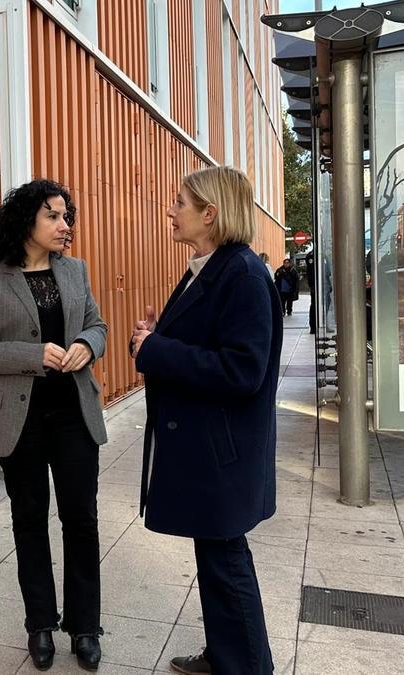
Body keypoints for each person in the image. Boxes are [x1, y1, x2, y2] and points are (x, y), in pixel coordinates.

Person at [129, 166, 280, 675]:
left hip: (223, 451)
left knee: (226, 563)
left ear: (210, 214)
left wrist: (157, 348)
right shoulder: (210, 265)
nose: (170, 211)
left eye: (180, 203)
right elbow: (203, 342)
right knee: (215, 562)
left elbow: (243, 370)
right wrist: (154, 337)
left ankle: (248, 667)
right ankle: (225, 656)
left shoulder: (240, 274)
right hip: (211, 449)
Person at [0, 179, 109, 671]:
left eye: (67, 216)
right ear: (26, 221)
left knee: (81, 522)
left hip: (73, 414)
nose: (65, 226)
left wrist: (88, 344)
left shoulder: (76, 271)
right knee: (29, 522)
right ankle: (40, 625)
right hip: (19, 421)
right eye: (54, 216)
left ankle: (85, 627)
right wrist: (32, 355)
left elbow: (97, 325)